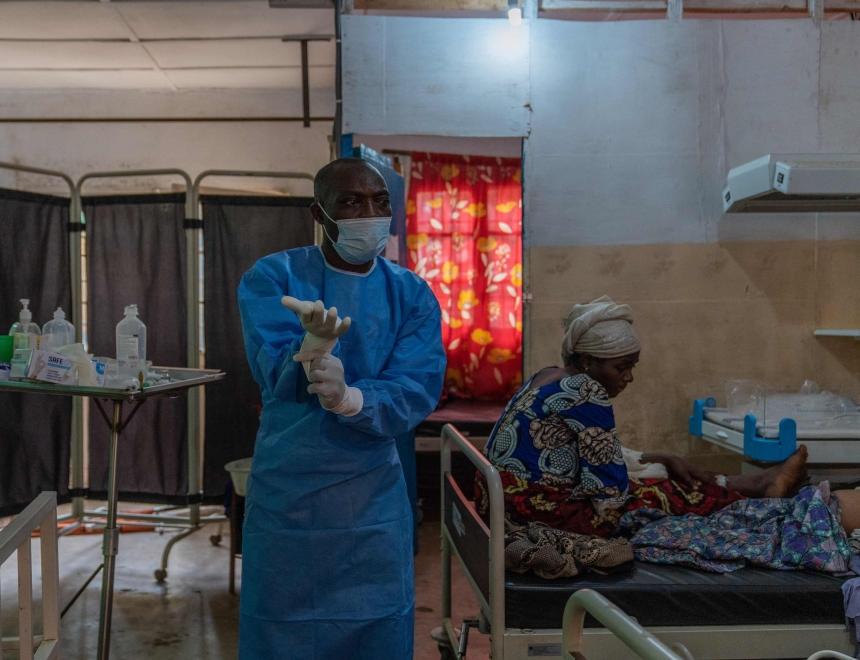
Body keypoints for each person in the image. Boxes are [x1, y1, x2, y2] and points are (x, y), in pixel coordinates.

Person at [237, 157, 446, 660]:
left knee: (374, 624)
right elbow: (273, 367)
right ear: (320, 212)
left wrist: (353, 398)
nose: (368, 213)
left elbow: (416, 383)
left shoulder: (411, 293)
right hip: (291, 493)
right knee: (282, 626)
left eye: (379, 201)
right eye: (351, 202)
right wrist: (307, 351)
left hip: (370, 495)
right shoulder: (274, 277)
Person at [477, 295, 819, 538]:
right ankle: (757, 493)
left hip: (499, 496)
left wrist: (658, 459)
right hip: (535, 511)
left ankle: (755, 484)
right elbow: (609, 492)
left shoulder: (546, 374)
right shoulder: (587, 391)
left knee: (659, 470)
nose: (628, 378)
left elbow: (579, 454)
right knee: (663, 494)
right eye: (621, 367)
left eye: (632, 366)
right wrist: (654, 476)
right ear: (587, 362)